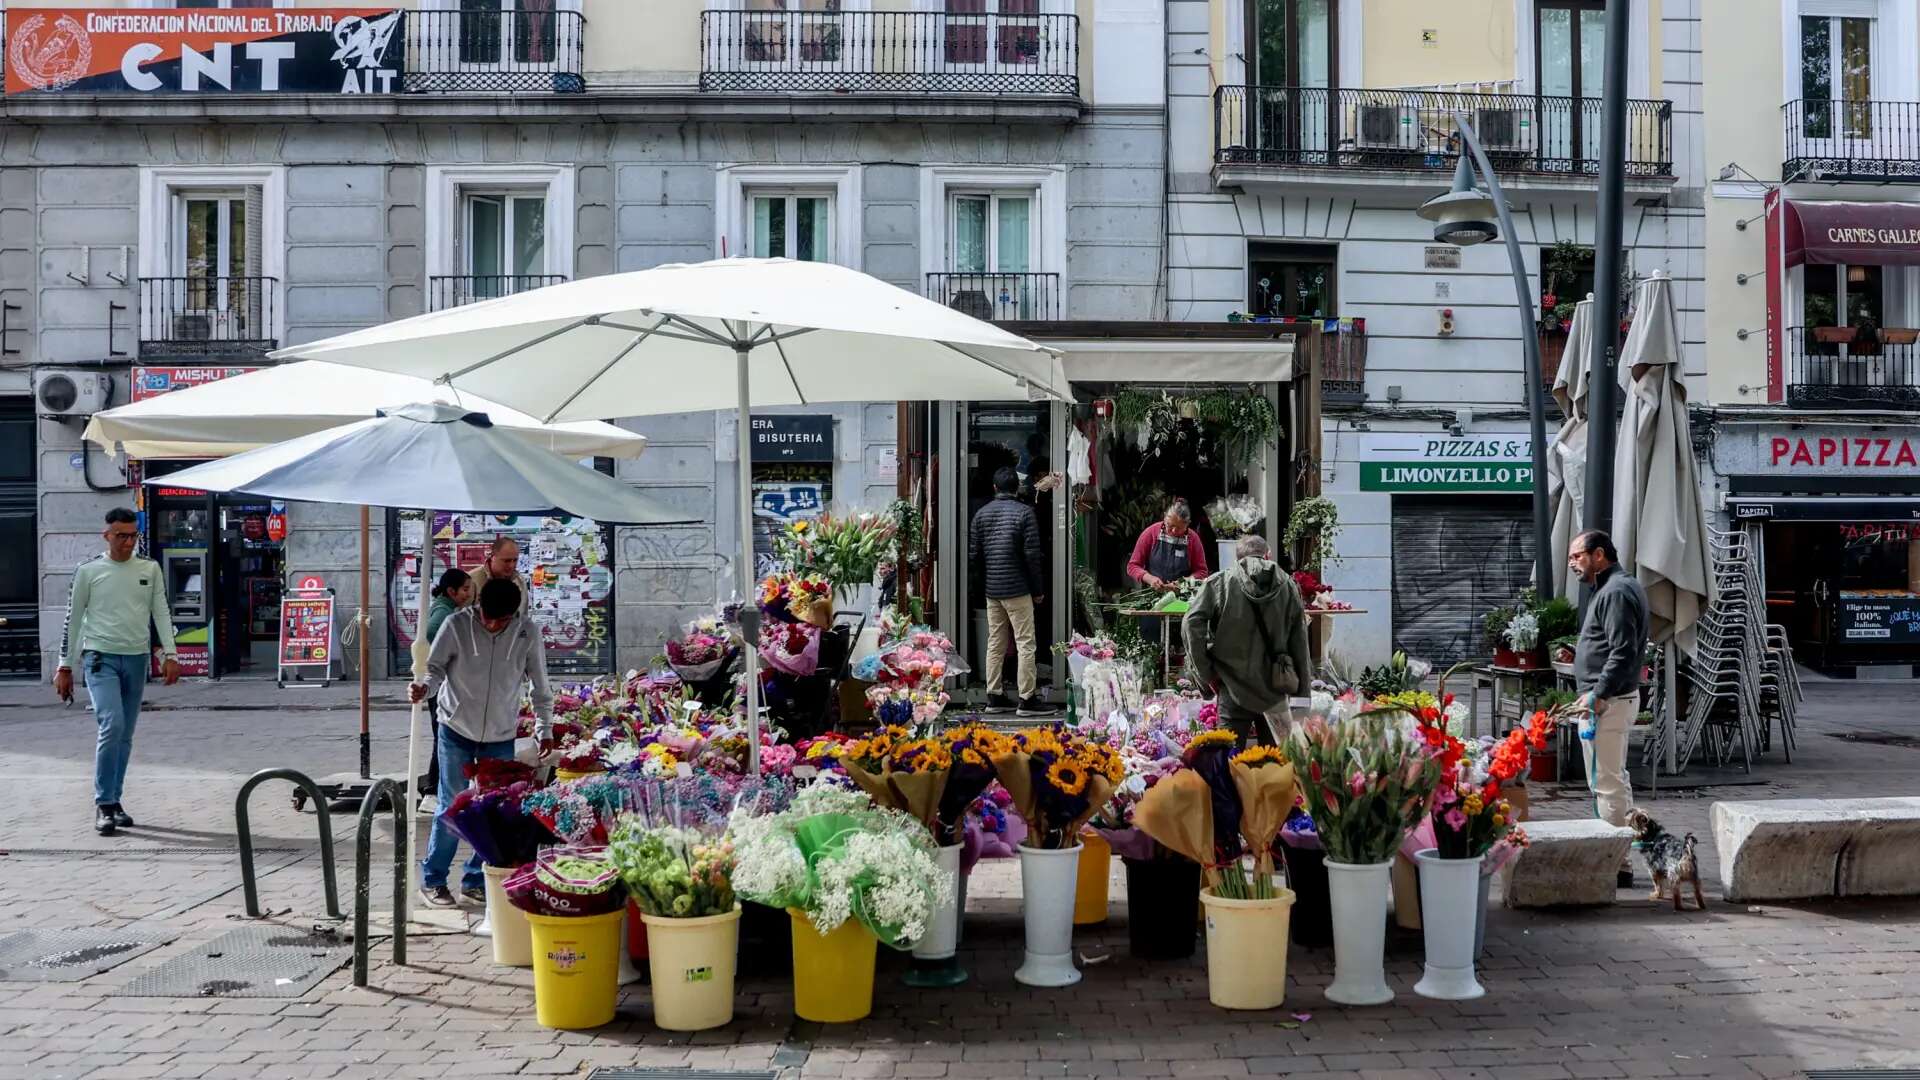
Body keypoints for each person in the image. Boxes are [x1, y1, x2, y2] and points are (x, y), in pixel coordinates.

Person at [410, 577, 555, 907]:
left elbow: (540, 685)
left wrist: (544, 729)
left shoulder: (526, 632)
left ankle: (476, 878)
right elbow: (434, 670)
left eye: (500, 619)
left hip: (500, 734)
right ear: (478, 606)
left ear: (512, 616)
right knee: (451, 805)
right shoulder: (456, 624)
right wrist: (424, 688)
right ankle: (433, 880)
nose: (491, 624)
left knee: (492, 810)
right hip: (455, 727)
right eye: (486, 615)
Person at [55, 507, 180, 836]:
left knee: (125, 735)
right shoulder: (88, 571)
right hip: (100, 658)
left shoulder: (149, 569)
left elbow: (161, 612)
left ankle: (115, 800)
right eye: (121, 535)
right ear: (106, 535)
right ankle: (103, 803)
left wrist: (171, 654)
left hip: (136, 658)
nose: (127, 542)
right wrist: (64, 666)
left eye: (132, 535)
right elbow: (73, 620)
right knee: (112, 724)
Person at [1568, 528, 1650, 887]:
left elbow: (1623, 651)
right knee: (1613, 780)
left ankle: (1616, 864)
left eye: (1577, 556)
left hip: (1609, 703)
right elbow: (1613, 645)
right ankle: (1623, 854)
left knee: (1606, 784)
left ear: (1599, 555)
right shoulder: (1614, 587)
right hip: (1609, 699)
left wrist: (1597, 694)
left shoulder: (1615, 591)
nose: (1572, 563)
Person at [1183, 535, 1312, 747]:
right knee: (1274, 767)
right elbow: (1300, 643)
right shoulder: (1288, 586)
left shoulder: (1220, 583)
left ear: (1237, 558)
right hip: (1275, 690)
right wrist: (1302, 699)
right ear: (1268, 555)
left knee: (1228, 764)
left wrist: (1206, 673)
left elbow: (1191, 623)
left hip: (1232, 689)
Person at [969, 466, 1047, 716]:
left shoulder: (981, 515)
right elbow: (1032, 556)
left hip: (993, 591)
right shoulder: (1025, 513)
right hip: (1018, 590)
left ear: (995, 488)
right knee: (1026, 643)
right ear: (1017, 488)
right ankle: (1027, 699)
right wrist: (1037, 590)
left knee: (995, 642)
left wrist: (982, 586)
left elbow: (975, 557)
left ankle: (994, 695)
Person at [416, 568, 473, 799]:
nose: (468, 594)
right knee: (442, 734)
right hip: (438, 683)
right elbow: (429, 632)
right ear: (451, 591)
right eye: (465, 589)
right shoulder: (444, 612)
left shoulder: (446, 607)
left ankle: (434, 784)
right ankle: (433, 786)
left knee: (442, 734)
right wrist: (445, 655)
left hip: (438, 682)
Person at [1127, 499, 1210, 593]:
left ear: (1187, 524)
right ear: (1165, 517)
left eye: (1179, 528)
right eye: (1170, 525)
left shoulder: (1193, 539)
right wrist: (1150, 579)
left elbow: (1202, 572)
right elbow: (1133, 566)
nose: (1174, 531)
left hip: (1184, 594)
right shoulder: (1150, 533)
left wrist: (1185, 582)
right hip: (1152, 594)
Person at [466, 536, 528, 616]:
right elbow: (461, 619)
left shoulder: (520, 581)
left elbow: (523, 616)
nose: (511, 565)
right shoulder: (471, 581)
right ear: (492, 557)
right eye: (506, 561)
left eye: (515, 560)